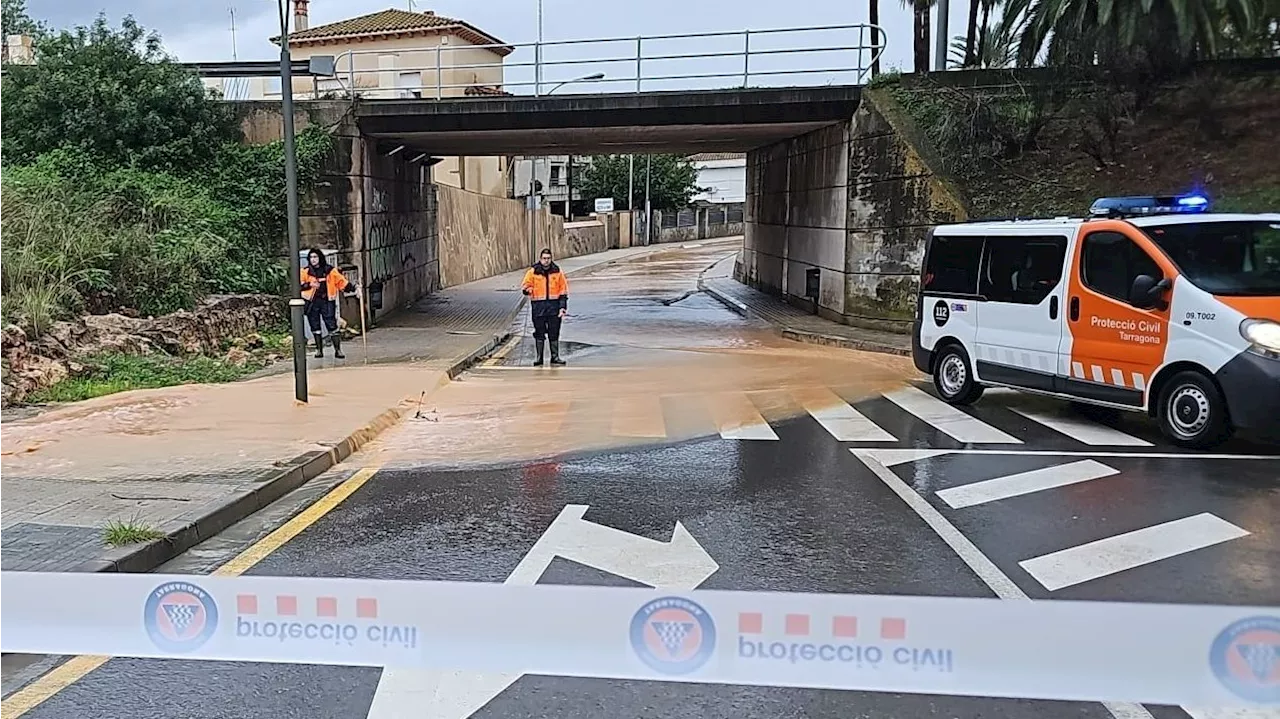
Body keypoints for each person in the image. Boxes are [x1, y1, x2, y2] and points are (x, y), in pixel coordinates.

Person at [521, 248, 569, 367]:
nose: (546, 261)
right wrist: (528, 290)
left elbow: (563, 291)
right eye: (544, 258)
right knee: (539, 332)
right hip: (539, 308)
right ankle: (539, 358)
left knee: (554, 332)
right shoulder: (533, 272)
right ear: (540, 259)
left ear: (551, 259)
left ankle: (555, 357)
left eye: (548, 258)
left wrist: (562, 307)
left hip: (554, 307)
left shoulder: (557, 272)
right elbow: (525, 285)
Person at [301, 248, 352, 359]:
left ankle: (338, 350)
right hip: (312, 302)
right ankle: (319, 350)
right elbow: (299, 285)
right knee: (315, 326)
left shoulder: (330, 270)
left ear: (320, 258)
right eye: (311, 257)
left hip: (327, 301)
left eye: (315, 257)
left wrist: (354, 288)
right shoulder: (305, 271)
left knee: (331, 324)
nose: (313, 260)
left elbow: (341, 282)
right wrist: (310, 285)